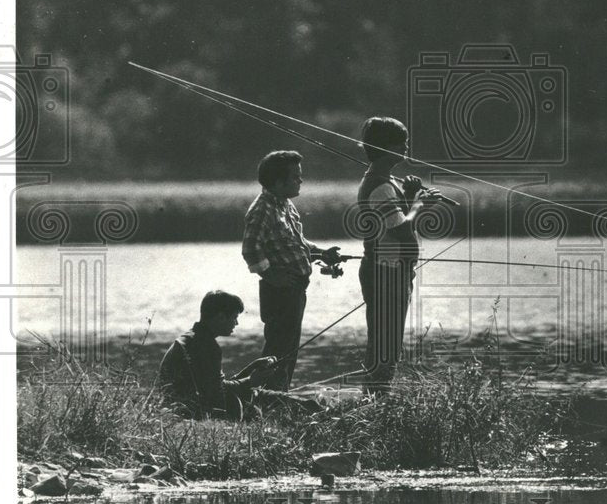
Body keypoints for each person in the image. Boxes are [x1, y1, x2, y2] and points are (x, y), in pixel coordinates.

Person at [242, 150, 341, 390]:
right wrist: (270, 275)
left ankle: (278, 394)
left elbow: (298, 243)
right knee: (279, 348)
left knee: (289, 348)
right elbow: (250, 248)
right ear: (278, 182)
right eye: (295, 177)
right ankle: (268, 397)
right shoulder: (262, 209)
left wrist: (321, 253)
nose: (301, 181)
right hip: (279, 292)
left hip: (295, 289)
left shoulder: (285, 205)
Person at [356, 117, 442, 393]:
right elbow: (402, 229)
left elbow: (394, 218)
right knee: (385, 345)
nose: (406, 146)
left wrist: (408, 194)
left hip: (391, 270)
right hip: (385, 271)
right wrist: (420, 205)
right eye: (402, 142)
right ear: (388, 147)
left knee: (387, 344)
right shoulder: (379, 186)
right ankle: (374, 401)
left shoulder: (385, 182)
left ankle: (375, 400)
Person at [157, 290, 322, 420]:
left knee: (289, 401)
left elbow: (215, 386)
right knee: (305, 405)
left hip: (185, 405)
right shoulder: (206, 346)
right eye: (234, 318)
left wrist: (252, 367)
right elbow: (218, 394)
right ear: (221, 317)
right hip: (197, 410)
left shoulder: (193, 338)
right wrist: (252, 380)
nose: (236, 323)